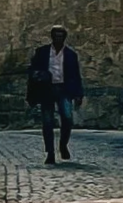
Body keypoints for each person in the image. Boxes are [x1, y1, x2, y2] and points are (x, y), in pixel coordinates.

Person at [26, 24, 85, 165]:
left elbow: (76, 76)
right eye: (56, 36)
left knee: (67, 118)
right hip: (47, 89)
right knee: (47, 122)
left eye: (61, 36)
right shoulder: (42, 52)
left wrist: (78, 94)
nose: (58, 38)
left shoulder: (71, 55)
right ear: (52, 37)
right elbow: (32, 72)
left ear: (64, 38)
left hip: (64, 89)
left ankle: (63, 145)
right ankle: (50, 152)